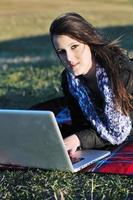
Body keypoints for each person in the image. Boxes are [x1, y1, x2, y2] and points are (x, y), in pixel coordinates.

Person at [49, 12, 133, 157]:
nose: (69, 58)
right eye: (61, 51)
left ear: (89, 42)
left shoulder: (121, 72)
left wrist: (80, 139)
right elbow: (81, 125)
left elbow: (125, 130)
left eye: (74, 46)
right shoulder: (69, 80)